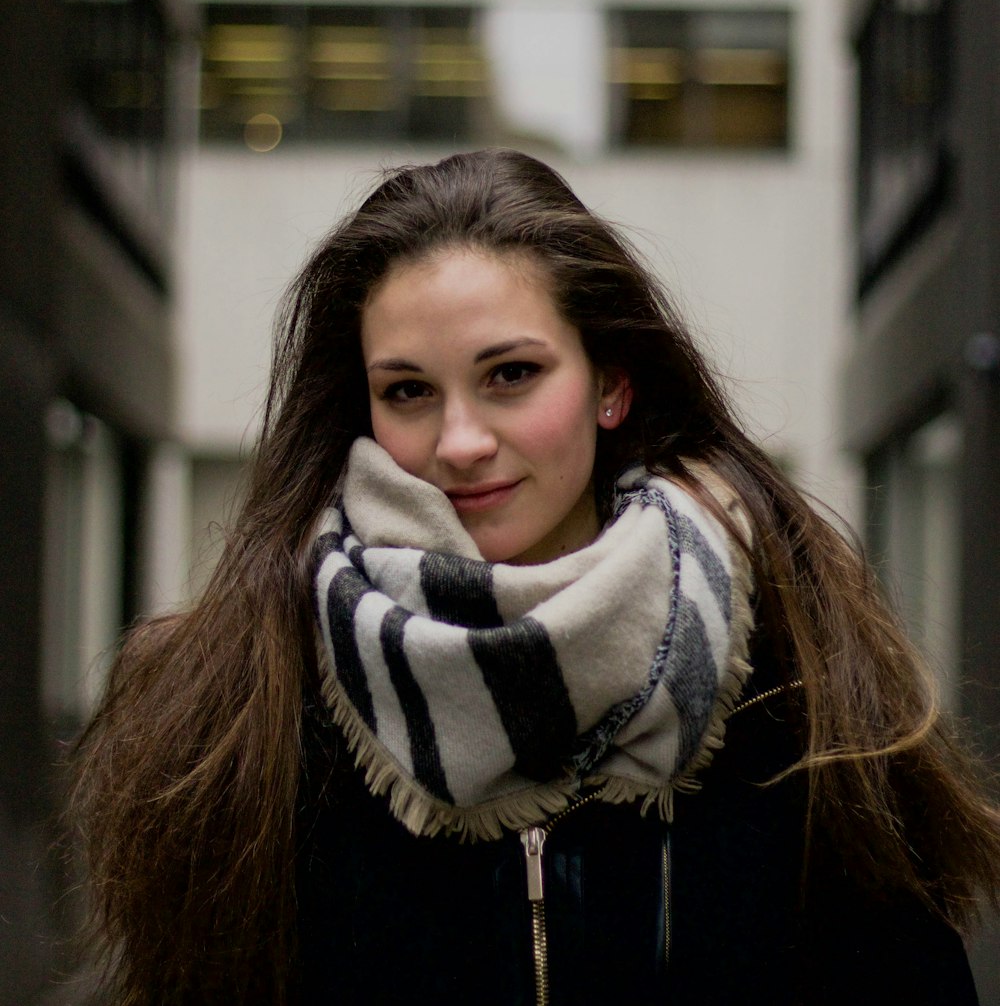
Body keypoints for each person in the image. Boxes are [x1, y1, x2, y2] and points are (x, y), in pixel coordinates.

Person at [72, 149, 999, 1005]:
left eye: (510, 374)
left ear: (611, 386)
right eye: (408, 391)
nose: (460, 442)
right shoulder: (250, 692)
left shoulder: (792, 672)